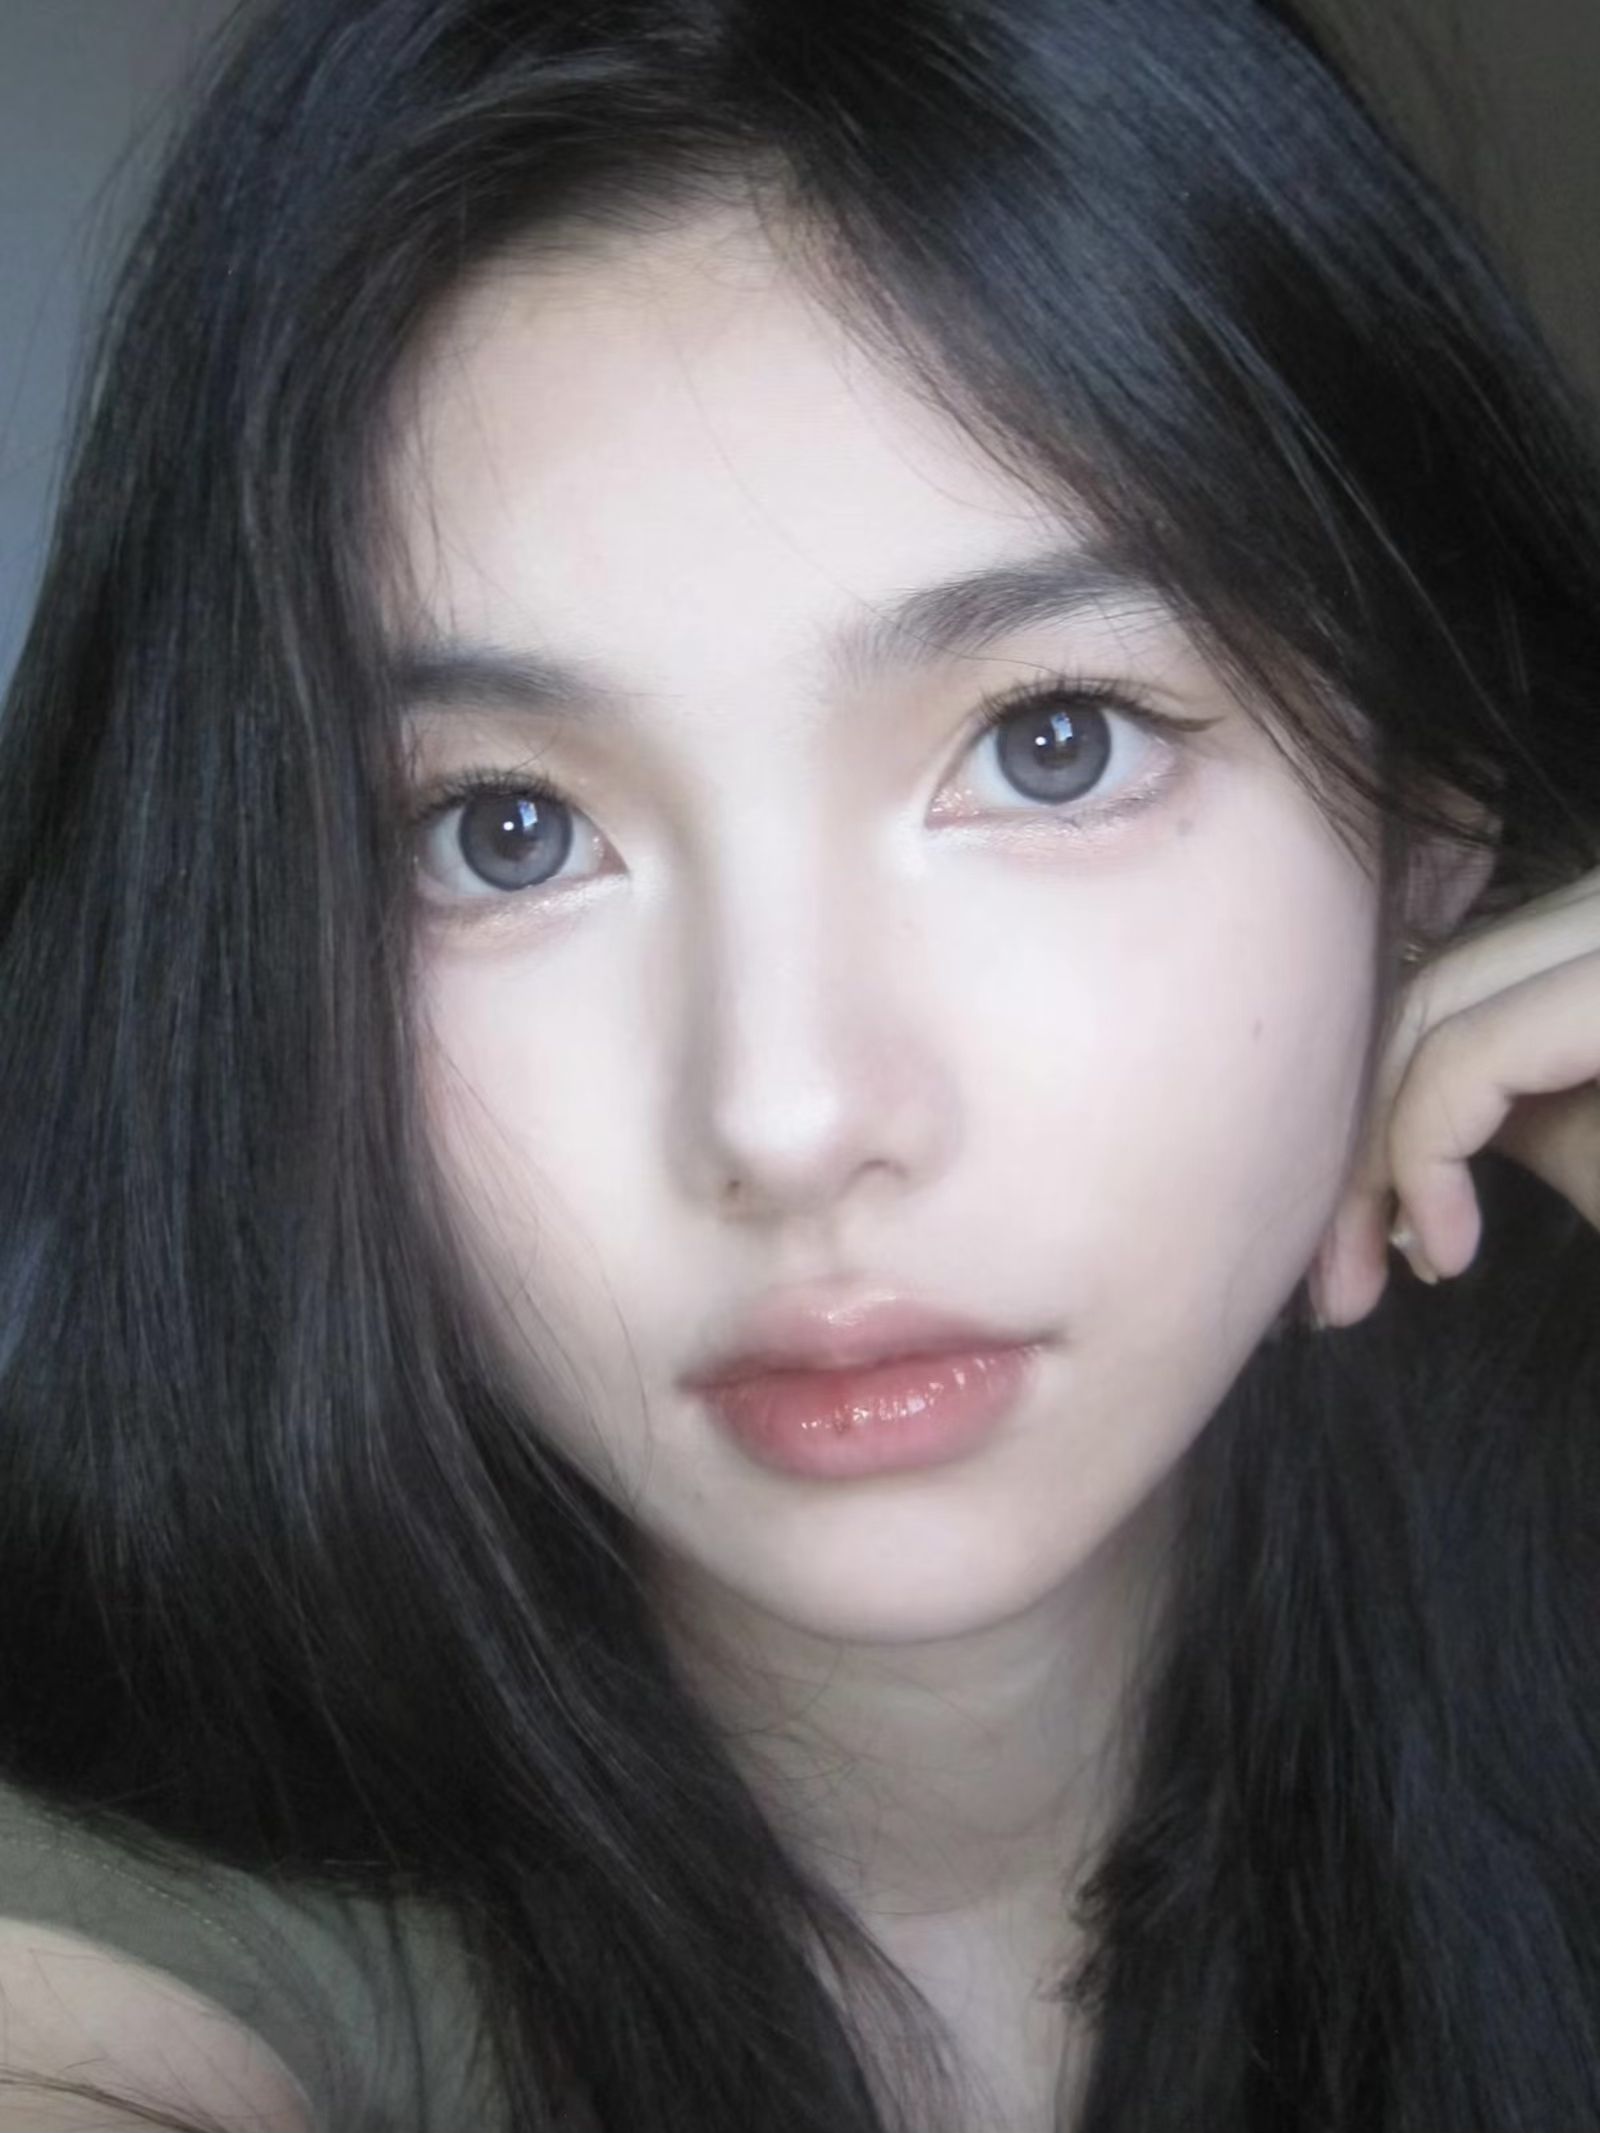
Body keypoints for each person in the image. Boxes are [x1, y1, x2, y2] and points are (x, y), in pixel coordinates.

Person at [0, 0, 1597, 2126]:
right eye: (504, 830)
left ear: (1433, 816)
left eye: (1050, 743)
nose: (787, 1114)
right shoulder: (139, 1921)